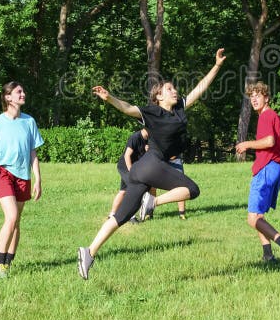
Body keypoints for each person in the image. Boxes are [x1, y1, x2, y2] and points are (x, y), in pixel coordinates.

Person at [77, 48, 226, 279]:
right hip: (152, 164)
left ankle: (89, 252)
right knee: (192, 190)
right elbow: (128, 108)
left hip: (142, 170)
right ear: (158, 96)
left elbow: (200, 88)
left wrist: (216, 66)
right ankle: (153, 201)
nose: (174, 91)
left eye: (174, 88)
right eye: (169, 89)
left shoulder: (178, 110)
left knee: (121, 216)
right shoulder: (152, 111)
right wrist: (109, 98)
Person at [0, 81, 44, 278]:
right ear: (8, 97)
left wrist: (38, 179)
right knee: (11, 217)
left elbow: (33, 152)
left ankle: (8, 264)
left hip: (23, 176)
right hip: (3, 174)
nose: (23, 94)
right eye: (19, 92)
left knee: (17, 222)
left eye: (23, 91)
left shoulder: (29, 122)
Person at [235, 82, 280, 267]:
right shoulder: (276, 118)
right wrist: (279, 167)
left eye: (258, 95)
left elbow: (269, 141)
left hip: (266, 169)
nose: (254, 99)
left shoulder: (266, 116)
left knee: (252, 218)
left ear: (266, 98)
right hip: (275, 169)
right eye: (251, 96)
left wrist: (247, 144)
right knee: (259, 215)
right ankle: (268, 255)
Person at [109, 128, 150, 220]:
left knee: (123, 191)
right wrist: (131, 171)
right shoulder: (135, 137)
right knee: (133, 189)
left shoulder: (149, 139)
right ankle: (131, 215)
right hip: (125, 166)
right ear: (146, 127)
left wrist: (148, 151)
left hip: (134, 167)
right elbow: (127, 155)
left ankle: (112, 214)